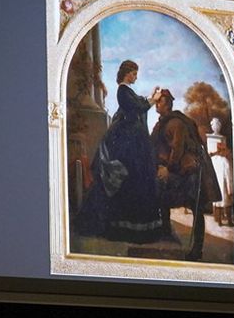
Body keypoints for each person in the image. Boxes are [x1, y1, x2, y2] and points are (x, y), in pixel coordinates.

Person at [72, 58, 169, 246]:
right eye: (134, 74)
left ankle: (139, 227)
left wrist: (151, 97)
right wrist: (153, 99)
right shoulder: (122, 91)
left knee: (138, 177)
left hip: (134, 139)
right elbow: (138, 107)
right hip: (128, 141)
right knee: (132, 177)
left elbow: (140, 103)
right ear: (126, 73)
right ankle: (125, 228)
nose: (136, 77)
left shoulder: (128, 91)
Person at [149, 87, 221, 261]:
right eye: (156, 102)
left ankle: (197, 249)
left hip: (189, 171)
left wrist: (168, 168)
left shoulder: (176, 123)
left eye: (159, 102)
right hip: (175, 169)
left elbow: (178, 149)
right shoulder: (161, 123)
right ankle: (166, 230)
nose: (156, 105)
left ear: (168, 105)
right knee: (160, 193)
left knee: (196, 208)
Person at [205, 116, 233, 219]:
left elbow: (224, 150)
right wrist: (217, 152)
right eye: (215, 125)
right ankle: (217, 215)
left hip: (222, 161)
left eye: (218, 125)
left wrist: (224, 152)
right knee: (217, 184)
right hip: (214, 162)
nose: (216, 127)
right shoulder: (209, 137)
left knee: (225, 183)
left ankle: (227, 215)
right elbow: (210, 153)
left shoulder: (223, 138)